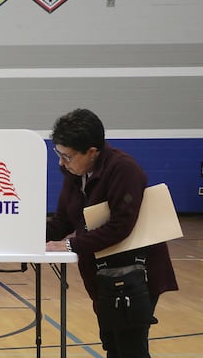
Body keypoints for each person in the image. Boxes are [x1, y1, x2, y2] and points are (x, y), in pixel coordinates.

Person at [45, 108, 178, 358]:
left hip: (136, 274)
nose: (61, 162)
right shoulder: (74, 174)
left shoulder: (124, 169)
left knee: (130, 349)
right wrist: (24, 234)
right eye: (58, 154)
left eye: (67, 156)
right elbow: (63, 220)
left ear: (92, 152)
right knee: (113, 346)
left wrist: (72, 245)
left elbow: (120, 227)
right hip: (104, 275)